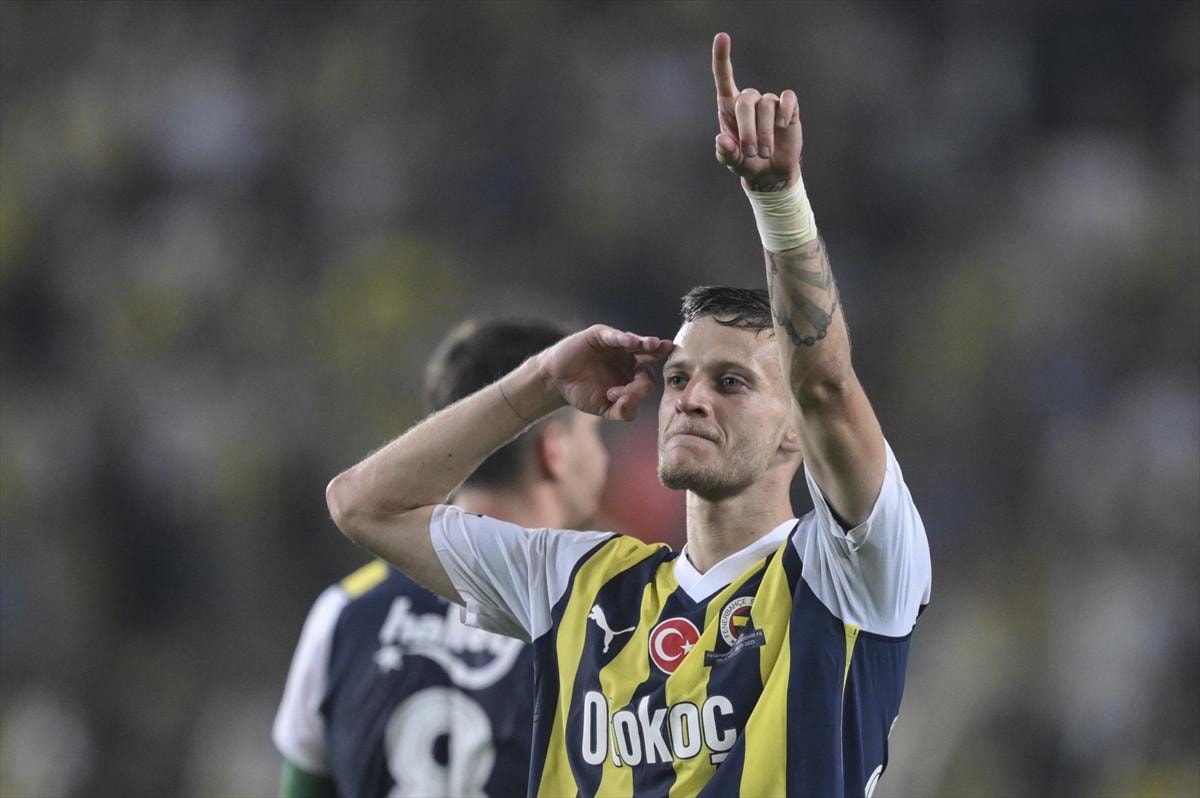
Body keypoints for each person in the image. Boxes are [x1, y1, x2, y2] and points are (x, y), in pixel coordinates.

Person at [326, 32, 931, 798]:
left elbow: (827, 388)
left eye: (732, 383)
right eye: (677, 378)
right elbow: (363, 504)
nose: (691, 398)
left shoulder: (849, 575)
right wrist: (540, 382)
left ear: (795, 431)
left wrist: (779, 204)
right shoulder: (579, 584)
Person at [273, 318, 610, 798]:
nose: (603, 458)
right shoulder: (599, 618)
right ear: (553, 450)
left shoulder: (343, 614)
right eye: (594, 435)